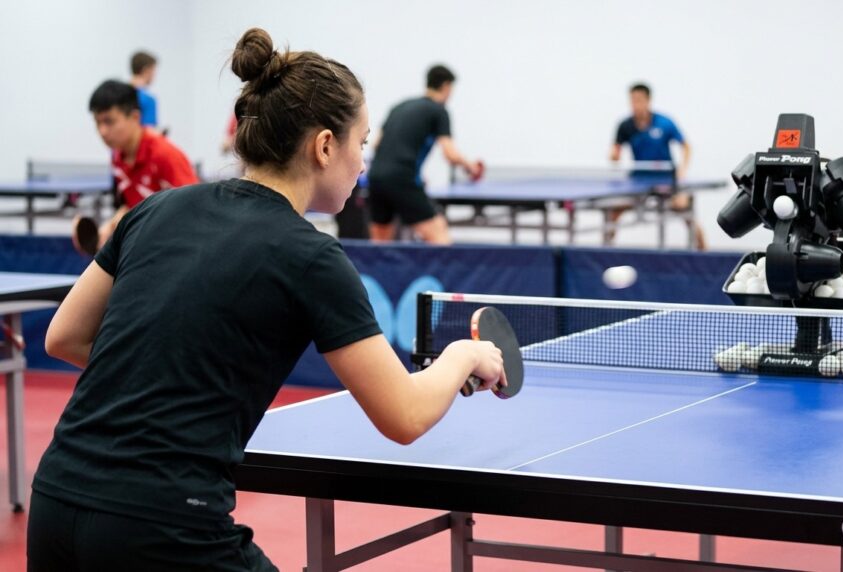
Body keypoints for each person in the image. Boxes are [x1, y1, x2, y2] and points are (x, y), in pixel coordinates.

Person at [28, 28, 506, 571]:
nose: (363, 165)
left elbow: (63, 337)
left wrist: (175, 378)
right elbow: (405, 414)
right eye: (362, 143)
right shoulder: (313, 257)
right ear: (325, 146)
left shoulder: (154, 210)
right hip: (163, 525)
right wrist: (464, 356)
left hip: (56, 501)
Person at [71, 80, 198, 256]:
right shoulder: (117, 157)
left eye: (109, 121)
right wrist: (111, 224)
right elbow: (133, 203)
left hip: (176, 251)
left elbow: (195, 209)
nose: (102, 131)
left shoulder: (165, 155)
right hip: (145, 248)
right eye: (97, 123)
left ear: (135, 117)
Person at [367, 64, 482, 245]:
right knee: (439, 234)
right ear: (446, 86)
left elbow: (376, 144)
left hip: (376, 176)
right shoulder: (439, 110)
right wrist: (471, 167)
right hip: (402, 178)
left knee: (380, 243)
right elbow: (450, 155)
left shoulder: (399, 107)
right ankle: (443, 275)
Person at [609, 83, 705, 250]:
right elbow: (615, 152)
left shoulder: (664, 123)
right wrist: (614, 156)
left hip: (666, 179)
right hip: (638, 181)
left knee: (685, 211)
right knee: (614, 211)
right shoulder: (625, 126)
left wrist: (682, 170)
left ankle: (705, 251)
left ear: (648, 101)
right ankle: (605, 250)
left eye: (639, 100)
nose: (635, 104)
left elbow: (686, 146)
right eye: (632, 100)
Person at [130, 51, 159, 127]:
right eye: (153, 70)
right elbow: (149, 130)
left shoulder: (118, 96)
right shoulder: (148, 100)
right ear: (146, 70)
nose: (154, 75)